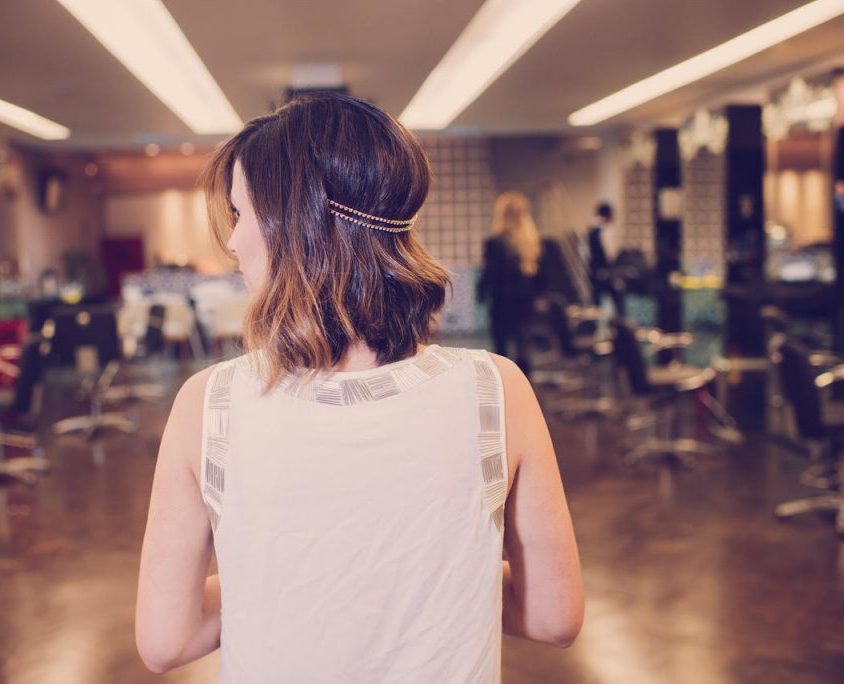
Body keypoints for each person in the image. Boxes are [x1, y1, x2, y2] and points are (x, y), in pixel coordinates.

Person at [136, 93, 583, 682]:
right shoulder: (495, 391)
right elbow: (553, 615)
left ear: (294, 225)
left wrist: (294, 574)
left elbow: (166, 640)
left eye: (241, 214)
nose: (233, 241)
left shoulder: (209, 404)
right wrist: (438, 568)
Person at [476, 192, 543, 377]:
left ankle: (504, 389)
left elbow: (491, 274)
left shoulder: (494, 243)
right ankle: (525, 389)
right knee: (524, 348)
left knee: (501, 351)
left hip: (502, 303)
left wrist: (480, 294)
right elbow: (540, 280)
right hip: (525, 304)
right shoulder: (533, 243)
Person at [587, 202, 624, 312]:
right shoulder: (606, 231)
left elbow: (584, 253)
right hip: (606, 270)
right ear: (608, 215)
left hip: (593, 270)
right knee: (617, 299)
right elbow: (611, 254)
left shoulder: (590, 231)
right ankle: (618, 325)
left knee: (597, 301)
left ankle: (596, 326)